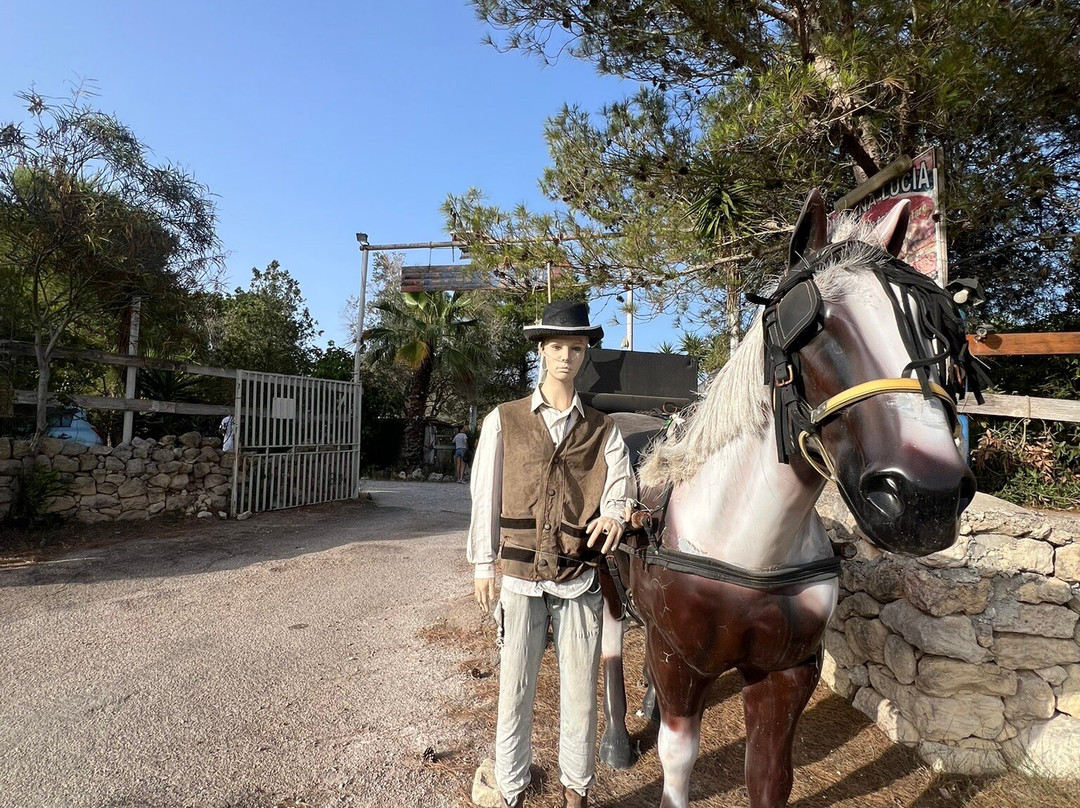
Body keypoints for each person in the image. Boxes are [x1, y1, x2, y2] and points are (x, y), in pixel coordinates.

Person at [467, 300, 636, 808]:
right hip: (520, 575)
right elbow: (485, 494)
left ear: (585, 355)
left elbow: (622, 486)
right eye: (557, 346)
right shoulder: (504, 420)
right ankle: (511, 788)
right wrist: (483, 563)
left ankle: (576, 790)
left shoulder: (604, 428)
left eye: (576, 348)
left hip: (578, 575)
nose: (566, 356)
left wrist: (615, 514)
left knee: (580, 692)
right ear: (541, 350)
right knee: (514, 688)